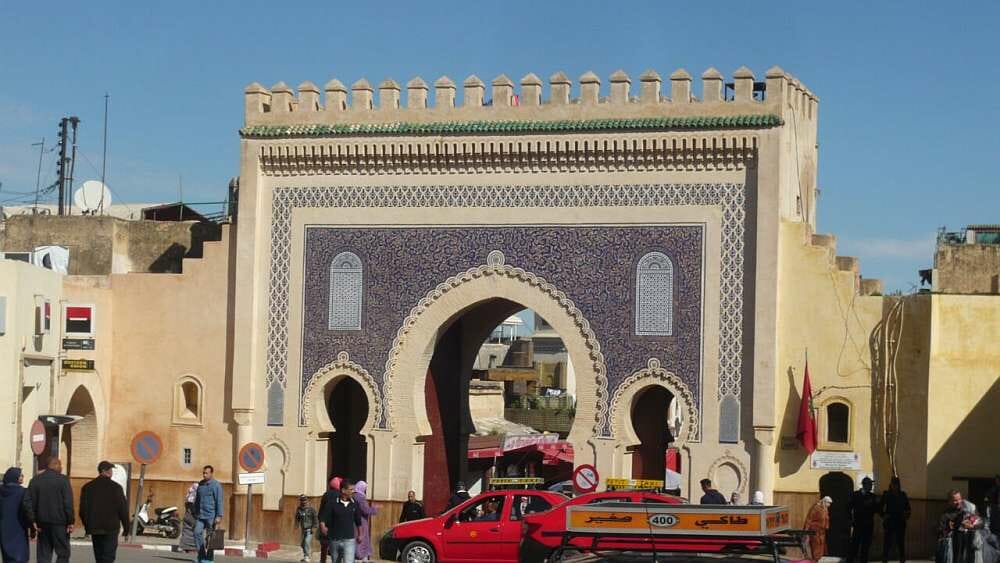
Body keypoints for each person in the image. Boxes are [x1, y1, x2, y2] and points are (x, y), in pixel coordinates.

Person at [79, 461, 129, 563]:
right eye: (110, 470)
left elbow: (83, 510)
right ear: (104, 471)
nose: (111, 472)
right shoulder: (116, 488)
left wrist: (87, 526)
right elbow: (123, 509)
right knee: (108, 557)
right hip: (111, 528)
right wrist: (126, 528)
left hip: (95, 528)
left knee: (99, 557)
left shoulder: (88, 487)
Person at [28, 458, 73, 563]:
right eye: (60, 465)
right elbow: (68, 503)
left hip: (42, 522)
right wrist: (70, 521)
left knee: (44, 554)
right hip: (60, 523)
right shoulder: (63, 480)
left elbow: (29, 502)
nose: (61, 468)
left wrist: (32, 520)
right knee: (63, 553)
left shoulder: (35, 480)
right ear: (55, 465)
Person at [319, 479, 362, 563]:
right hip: (334, 539)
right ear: (343, 490)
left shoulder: (355, 504)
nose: (353, 491)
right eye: (351, 489)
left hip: (349, 539)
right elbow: (323, 517)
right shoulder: (332, 503)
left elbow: (358, 520)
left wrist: (360, 534)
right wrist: (322, 526)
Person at [936, 489, 983, 563]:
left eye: (959, 499)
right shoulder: (946, 515)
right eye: (955, 500)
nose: (958, 502)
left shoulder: (969, 509)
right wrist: (949, 528)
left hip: (969, 547)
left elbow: (981, 524)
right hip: (954, 549)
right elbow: (940, 531)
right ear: (949, 501)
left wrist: (972, 526)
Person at [0, 467, 34, 563]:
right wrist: (32, 526)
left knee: (7, 557)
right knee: (19, 556)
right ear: (15, 477)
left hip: (3, 528)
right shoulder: (23, 492)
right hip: (19, 528)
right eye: (20, 475)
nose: (22, 477)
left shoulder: (1, 491)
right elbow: (27, 510)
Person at [193, 465, 224, 563]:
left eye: (206, 473)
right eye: (203, 473)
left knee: (211, 538)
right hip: (200, 515)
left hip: (211, 516)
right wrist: (195, 511)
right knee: (197, 532)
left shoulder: (216, 485)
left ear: (211, 473)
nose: (204, 475)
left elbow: (219, 501)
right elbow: (197, 499)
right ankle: (201, 555)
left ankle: (209, 558)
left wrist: (219, 516)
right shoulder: (201, 484)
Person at [847, 476, 880, 563]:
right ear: (864, 485)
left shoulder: (873, 496)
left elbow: (877, 510)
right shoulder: (855, 495)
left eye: (871, 484)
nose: (871, 486)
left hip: (868, 526)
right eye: (870, 484)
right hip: (858, 524)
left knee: (865, 547)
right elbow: (848, 508)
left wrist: (879, 504)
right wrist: (850, 520)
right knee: (854, 546)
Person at [880, 477, 911, 563]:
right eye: (894, 484)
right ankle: (885, 559)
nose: (895, 486)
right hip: (889, 521)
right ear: (891, 484)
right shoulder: (886, 494)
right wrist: (883, 515)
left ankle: (902, 559)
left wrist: (906, 516)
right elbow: (879, 507)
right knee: (887, 543)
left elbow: (908, 508)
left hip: (900, 522)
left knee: (900, 543)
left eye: (896, 484)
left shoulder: (902, 495)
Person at [318, 476, 342, 563]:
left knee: (324, 546)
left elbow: (321, 510)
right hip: (336, 524)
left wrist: (321, 522)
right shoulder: (340, 495)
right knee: (336, 547)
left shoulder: (326, 494)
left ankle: (322, 561)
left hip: (325, 523)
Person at [352, 481, 378, 562]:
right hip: (361, 522)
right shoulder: (360, 497)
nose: (365, 490)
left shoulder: (353, 496)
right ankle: (360, 557)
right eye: (365, 488)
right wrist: (374, 509)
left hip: (353, 521)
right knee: (361, 539)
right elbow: (365, 510)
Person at [804, 496, 833, 562]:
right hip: (814, 531)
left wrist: (826, 526)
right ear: (824, 501)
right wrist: (806, 531)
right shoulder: (815, 508)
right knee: (815, 546)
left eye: (830, 503)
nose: (829, 505)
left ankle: (817, 560)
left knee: (820, 546)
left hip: (821, 531)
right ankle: (814, 560)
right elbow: (809, 519)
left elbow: (826, 518)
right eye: (828, 503)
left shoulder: (825, 508)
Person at [295, 494, 318, 562]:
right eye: (302, 500)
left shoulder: (311, 509)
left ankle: (307, 556)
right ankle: (307, 554)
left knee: (306, 542)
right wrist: (296, 525)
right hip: (303, 529)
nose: (303, 501)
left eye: (305, 500)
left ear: (307, 500)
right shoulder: (299, 509)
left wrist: (314, 527)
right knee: (302, 544)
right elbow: (297, 517)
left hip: (309, 529)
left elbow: (315, 518)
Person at [179, 483, 199, 553]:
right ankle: (192, 548)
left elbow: (186, 505)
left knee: (187, 531)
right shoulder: (196, 497)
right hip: (193, 517)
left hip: (188, 516)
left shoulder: (189, 497)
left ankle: (185, 547)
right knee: (194, 532)